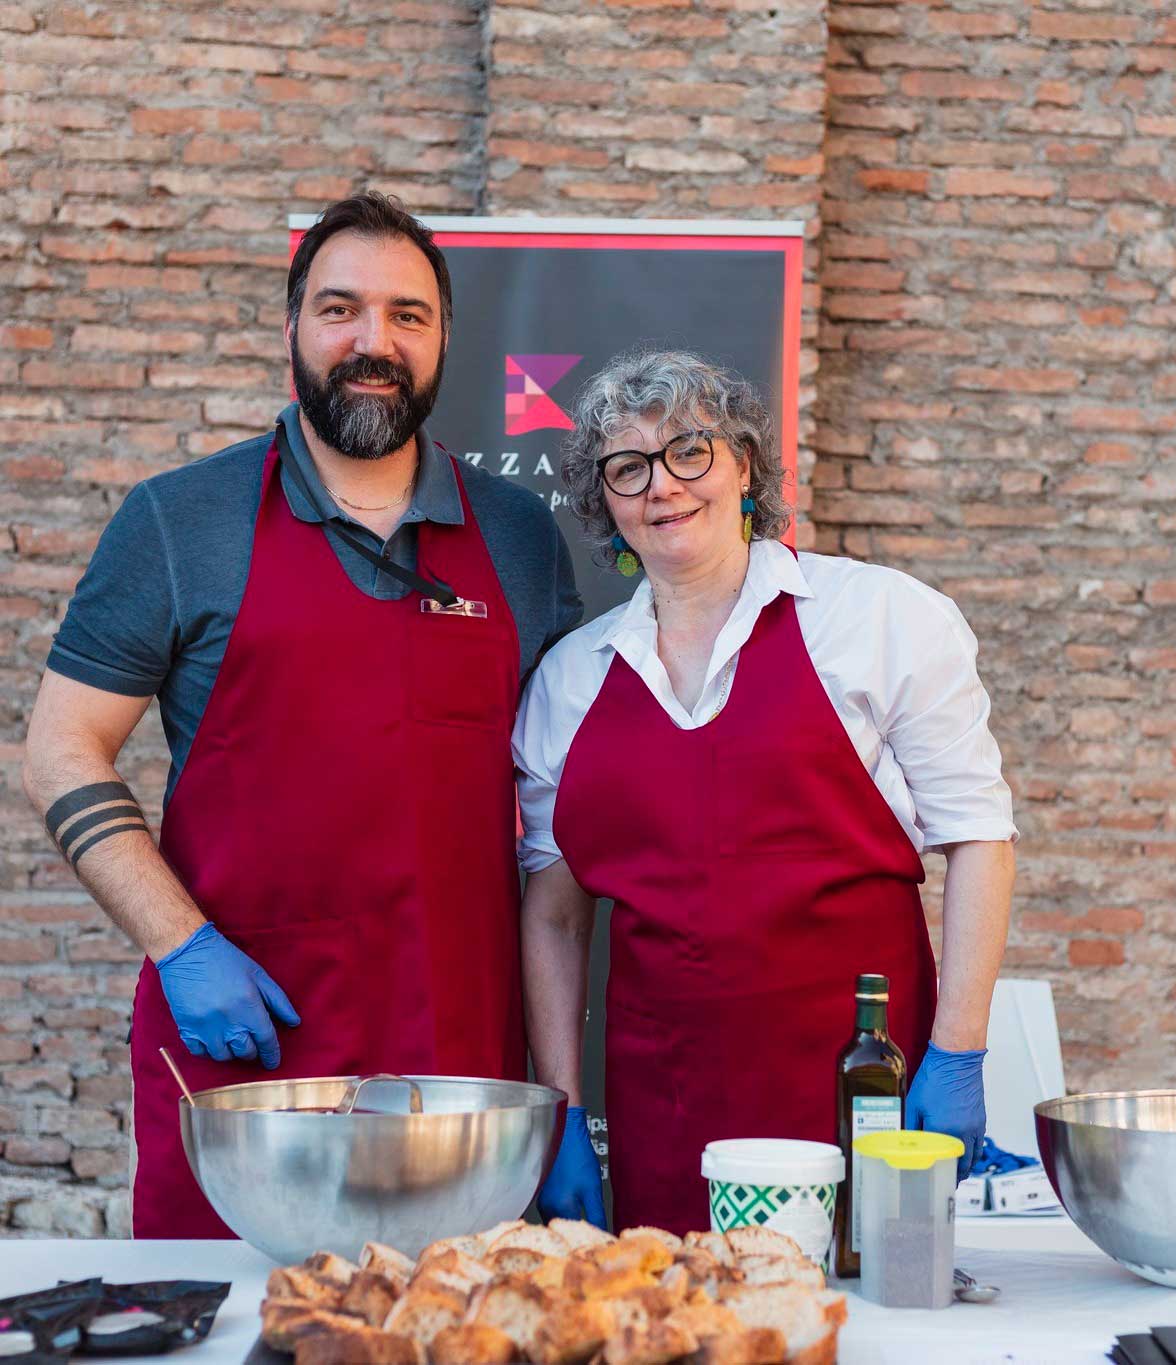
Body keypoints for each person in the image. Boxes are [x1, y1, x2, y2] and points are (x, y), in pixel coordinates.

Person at [22, 192, 581, 1238]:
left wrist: (561, 1093)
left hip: (460, 1073)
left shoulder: (518, 537)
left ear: (444, 339)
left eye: (407, 316)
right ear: (291, 329)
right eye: (340, 310)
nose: (374, 342)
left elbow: (562, 824)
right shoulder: (178, 520)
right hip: (250, 1073)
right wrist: (180, 945)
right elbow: (60, 751)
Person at [515, 350, 1016, 1233]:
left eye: (688, 451)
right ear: (606, 503)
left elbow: (977, 835)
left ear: (745, 465)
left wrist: (958, 1049)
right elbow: (555, 913)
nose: (662, 486)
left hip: (858, 1086)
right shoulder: (568, 679)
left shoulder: (878, 618)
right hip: (663, 1103)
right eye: (627, 468)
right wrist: (558, 1107)